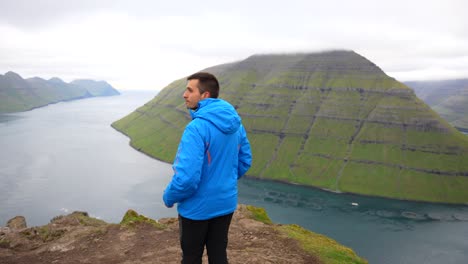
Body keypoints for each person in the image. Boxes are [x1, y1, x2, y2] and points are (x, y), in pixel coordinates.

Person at [163, 72, 252, 264]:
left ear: (205, 95)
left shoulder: (196, 128)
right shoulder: (236, 124)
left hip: (197, 209)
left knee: (191, 257)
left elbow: (186, 179)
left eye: (189, 90)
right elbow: (245, 160)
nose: (184, 95)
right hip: (225, 203)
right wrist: (224, 182)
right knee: (219, 254)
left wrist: (169, 197)